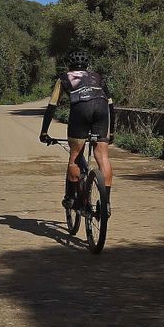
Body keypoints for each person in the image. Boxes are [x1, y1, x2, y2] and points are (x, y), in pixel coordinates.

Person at [39, 48, 114, 215]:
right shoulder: (98, 77)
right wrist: (113, 132)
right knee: (103, 157)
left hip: (81, 110)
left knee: (75, 157)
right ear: (87, 65)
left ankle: (72, 198)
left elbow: (52, 106)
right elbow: (110, 105)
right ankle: (106, 204)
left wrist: (44, 132)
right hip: (102, 110)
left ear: (69, 65)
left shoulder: (64, 78)